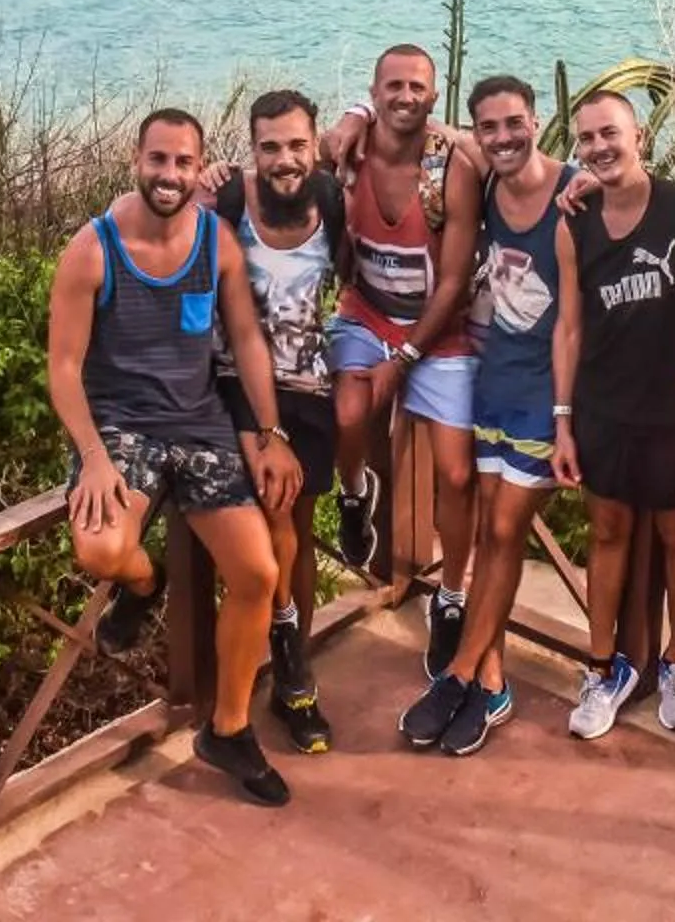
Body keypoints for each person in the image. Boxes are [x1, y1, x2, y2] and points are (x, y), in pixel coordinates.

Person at [46, 109, 303, 806]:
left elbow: (246, 339)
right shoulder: (93, 249)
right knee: (101, 550)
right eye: (158, 161)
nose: (170, 176)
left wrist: (270, 433)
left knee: (257, 571)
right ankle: (143, 584)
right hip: (123, 429)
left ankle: (228, 727)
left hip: (200, 426)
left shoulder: (215, 241)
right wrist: (94, 458)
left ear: (200, 167)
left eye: (183, 164)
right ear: (137, 159)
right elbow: (64, 369)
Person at [399, 76, 574, 755]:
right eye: (489, 127)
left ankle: (462, 671)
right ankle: (491, 680)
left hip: (548, 393)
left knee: (504, 528)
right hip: (494, 379)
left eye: (515, 123)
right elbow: (429, 128)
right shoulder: (487, 179)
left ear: (537, 121)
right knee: (485, 527)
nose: (504, 137)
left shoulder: (575, 191)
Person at [321, 47, 485, 682]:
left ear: (434, 94)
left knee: (456, 471)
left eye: (418, 86)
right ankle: (356, 495)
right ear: (374, 91)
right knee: (347, 410)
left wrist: (409, 354)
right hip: (366, 311)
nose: (406, 96)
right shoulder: (348, 154)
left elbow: (453, 280)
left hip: (439, 330)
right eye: (393, 86)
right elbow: (282, 158)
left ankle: (451, 597)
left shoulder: (450, 170)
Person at [558, 89, 675, 741]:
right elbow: (569, 325)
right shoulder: (576, 220)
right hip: (603, 405)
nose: (599, 147)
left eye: (610, 133)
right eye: (587, 138)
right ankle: (603, 668)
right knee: (608, 534)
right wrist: (562, 420)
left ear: (640, 134)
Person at [210, 89, 350, 756]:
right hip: (238, 389)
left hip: (310, 391)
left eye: (296, 145)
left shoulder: (332, 201)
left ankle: (293, 670)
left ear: (315, 142)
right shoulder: (230, 203)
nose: (284, 160)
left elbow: (353, 282)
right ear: (252, 149)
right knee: (271, 519)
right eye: (270, 147)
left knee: (294, 528)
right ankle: (284, 662)